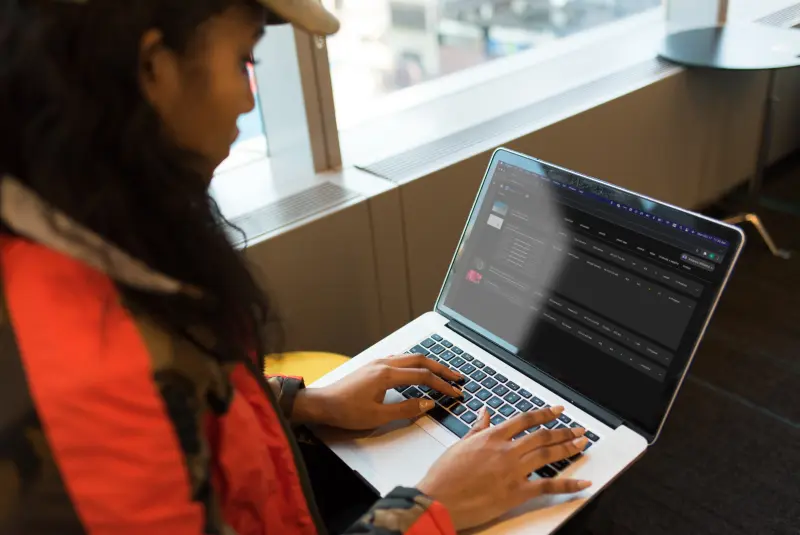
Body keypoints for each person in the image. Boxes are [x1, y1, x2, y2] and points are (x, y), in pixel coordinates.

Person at [0, 1, 594, 533]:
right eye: (242, 62)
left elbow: (196, 405)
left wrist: (301, 404)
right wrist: (430, 509)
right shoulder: (99, 389)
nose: (248, 98)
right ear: (154, 70)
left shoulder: (87, 234)